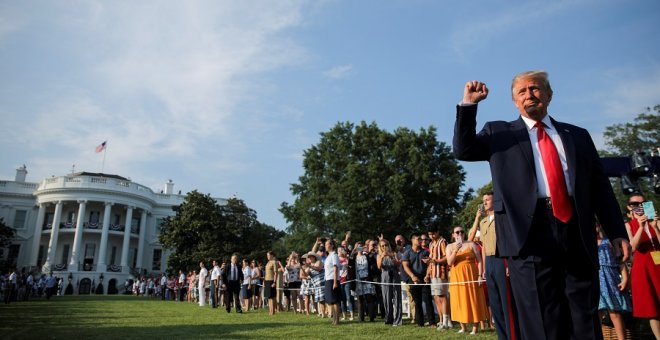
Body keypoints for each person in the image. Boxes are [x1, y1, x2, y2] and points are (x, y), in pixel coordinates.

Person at [453, 70, 630, 340]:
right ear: (514, 101)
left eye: (535, 89)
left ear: (549, 94)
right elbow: (463, 150)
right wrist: (469, 104)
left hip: (575, 231)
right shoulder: (499, 132)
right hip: (527, 235)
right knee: (541, 318)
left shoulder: (578, 136)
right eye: (522, 92)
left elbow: (600, 188)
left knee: (583, 314)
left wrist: (617, 232)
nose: (529, 95)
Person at [468, 191, 518, 339]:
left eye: (487, 200)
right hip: (489, 262)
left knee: (506, 301)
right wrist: (482, 269)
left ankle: (512, 335)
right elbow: (472, 239)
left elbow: (509, 242)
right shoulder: (483, 222)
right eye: (483, 200)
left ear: (495, 201)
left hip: (501, 259)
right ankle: (502, 336)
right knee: (495, 303)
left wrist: (509, 264)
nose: (484, 203)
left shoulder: (502, 218)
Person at [624, 194, 660, 338]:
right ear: (629, 207)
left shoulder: (656, 220)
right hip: (643, 266)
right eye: (635, 204)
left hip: (658, 262)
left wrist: (655, 227)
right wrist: (640, 227)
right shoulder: (628, 225)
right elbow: (632, 247)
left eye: (643, 203)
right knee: (653, 308)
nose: (640, 206)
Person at [447, 226, 489, 334]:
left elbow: (479, 260)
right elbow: (449, 263)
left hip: (471, 274)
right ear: (453, 235)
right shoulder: (450, 246)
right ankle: (463, 327)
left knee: (473, 298)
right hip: (457, 276)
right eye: (457, 232)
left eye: (462, 231)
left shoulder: (471, 244)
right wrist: (456, 249)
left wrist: (480, 275)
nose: (460, 234)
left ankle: (475, 327)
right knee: (459, 299)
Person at [597, 222, 632, 340]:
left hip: (611, 282)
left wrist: (625, 279)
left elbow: (621, 263)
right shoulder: (586, 245)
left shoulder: (609, 243)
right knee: (597, 313)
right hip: (596, 283)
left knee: (615, 313)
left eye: (595, 225)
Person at [402, 233, 434, 327]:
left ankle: (432, 322)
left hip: (425, 279)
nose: (420, 240)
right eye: (418, 239)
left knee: (428, 300)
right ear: (412, 240)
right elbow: (405, 266)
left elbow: (429, 265)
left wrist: (427, 275)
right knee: (417, 301)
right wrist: (412, 276)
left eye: (420, 239)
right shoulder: (407, 253)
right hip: (413, 279)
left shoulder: (425, 252)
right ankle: (420, 323)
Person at [427, 227, 450, 331]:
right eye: (429, 234)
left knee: (442, 296)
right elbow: (431, 259)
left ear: (437, 232)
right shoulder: (431, 244)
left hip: (441, 272)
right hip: (433, 273)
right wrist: (427, 273)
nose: (431, 236)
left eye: (433, 234)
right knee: (436, 297)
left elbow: (447, 257)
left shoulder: (443, 241)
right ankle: (442, 320)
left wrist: (436, 261)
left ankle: (446, 322)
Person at [377, 237, 402, 327]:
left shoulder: (394, 253)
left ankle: (398, 320)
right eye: (382, 246)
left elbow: (399, 264)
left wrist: (391, 256)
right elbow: (379, 267)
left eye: (386, 245)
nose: (384, 247)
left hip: (395, 275)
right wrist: (382, 256)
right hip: (385, 276)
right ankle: (389, 319)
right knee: (387, 298)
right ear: (380, 247)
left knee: (397, 297)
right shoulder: (379, 255)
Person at [395, 234, 415, 323]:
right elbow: (399, 263)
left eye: (400, 240)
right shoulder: (397, 251)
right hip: (402, 277)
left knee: (413, 297)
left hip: (410, 275)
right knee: (410, 297)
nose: (399, 242)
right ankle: (414, 316)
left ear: (404, 240)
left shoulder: (409, 248)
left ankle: (415, 317)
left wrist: (402, 250)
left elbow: (408, 260)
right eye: (397, 241)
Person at [353, 243, 376, 322]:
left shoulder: (366, 256)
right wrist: (353, 251)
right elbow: (349, 263)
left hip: (367, 279)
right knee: (360, 300)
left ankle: (371, 317)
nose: (360, 248)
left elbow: (372, 264)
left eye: (361, 246)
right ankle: (361, 318)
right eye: (358, 246)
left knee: (369, 298)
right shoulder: (354, 257)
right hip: (358, 280)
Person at [324, 239, 341, 325]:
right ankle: (334, 319)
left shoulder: (334, 255)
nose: (325, 246)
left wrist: (335, 282)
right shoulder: (328, 256)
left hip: (333, 280)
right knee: (331, 301)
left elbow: (335, 269)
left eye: (326, 244)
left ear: (331, 245)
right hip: (328, 280)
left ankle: (337, 320)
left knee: (335, 301)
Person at [264, 251, 278, 315]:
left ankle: (273, 311)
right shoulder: (268, 263)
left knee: (272, 297)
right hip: (267, 281)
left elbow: (276, 273)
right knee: (268, 297)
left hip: (271, 280)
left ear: (272, 255)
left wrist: (274, 282)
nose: (267, 257)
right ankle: (270, 310)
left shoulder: (274, 262)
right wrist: (264, 281)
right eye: (267, 255)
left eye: (268, 255)